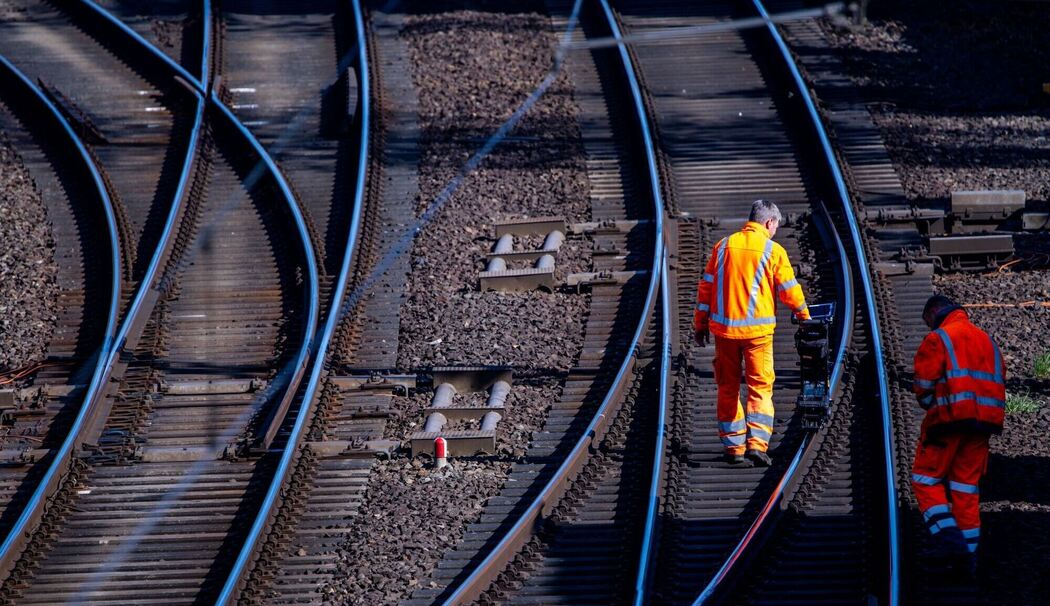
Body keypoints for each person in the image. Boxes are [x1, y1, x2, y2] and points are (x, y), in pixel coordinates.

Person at [693, 200, 810, 466]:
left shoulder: (722, 247)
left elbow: (706, 290)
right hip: (758, 335)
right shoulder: (773, 250)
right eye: (776, 226)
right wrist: (805, 317)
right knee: (760, 387)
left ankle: (734, 447)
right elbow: (789, 289)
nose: (775, 231)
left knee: (727, 387)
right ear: (769, 222)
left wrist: (700, 325)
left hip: (725, 333)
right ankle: (757, 445)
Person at [911, 295, 1005, 575]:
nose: (929, 327)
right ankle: (969, 558)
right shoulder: (986, 340)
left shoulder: (939, 338)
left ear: (934, 313)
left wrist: (933, 408)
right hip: (983, 425)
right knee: (965, 488)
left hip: (948, 423)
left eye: (928, 322)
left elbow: (923, 387)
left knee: (925, 480)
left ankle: (951, 543)